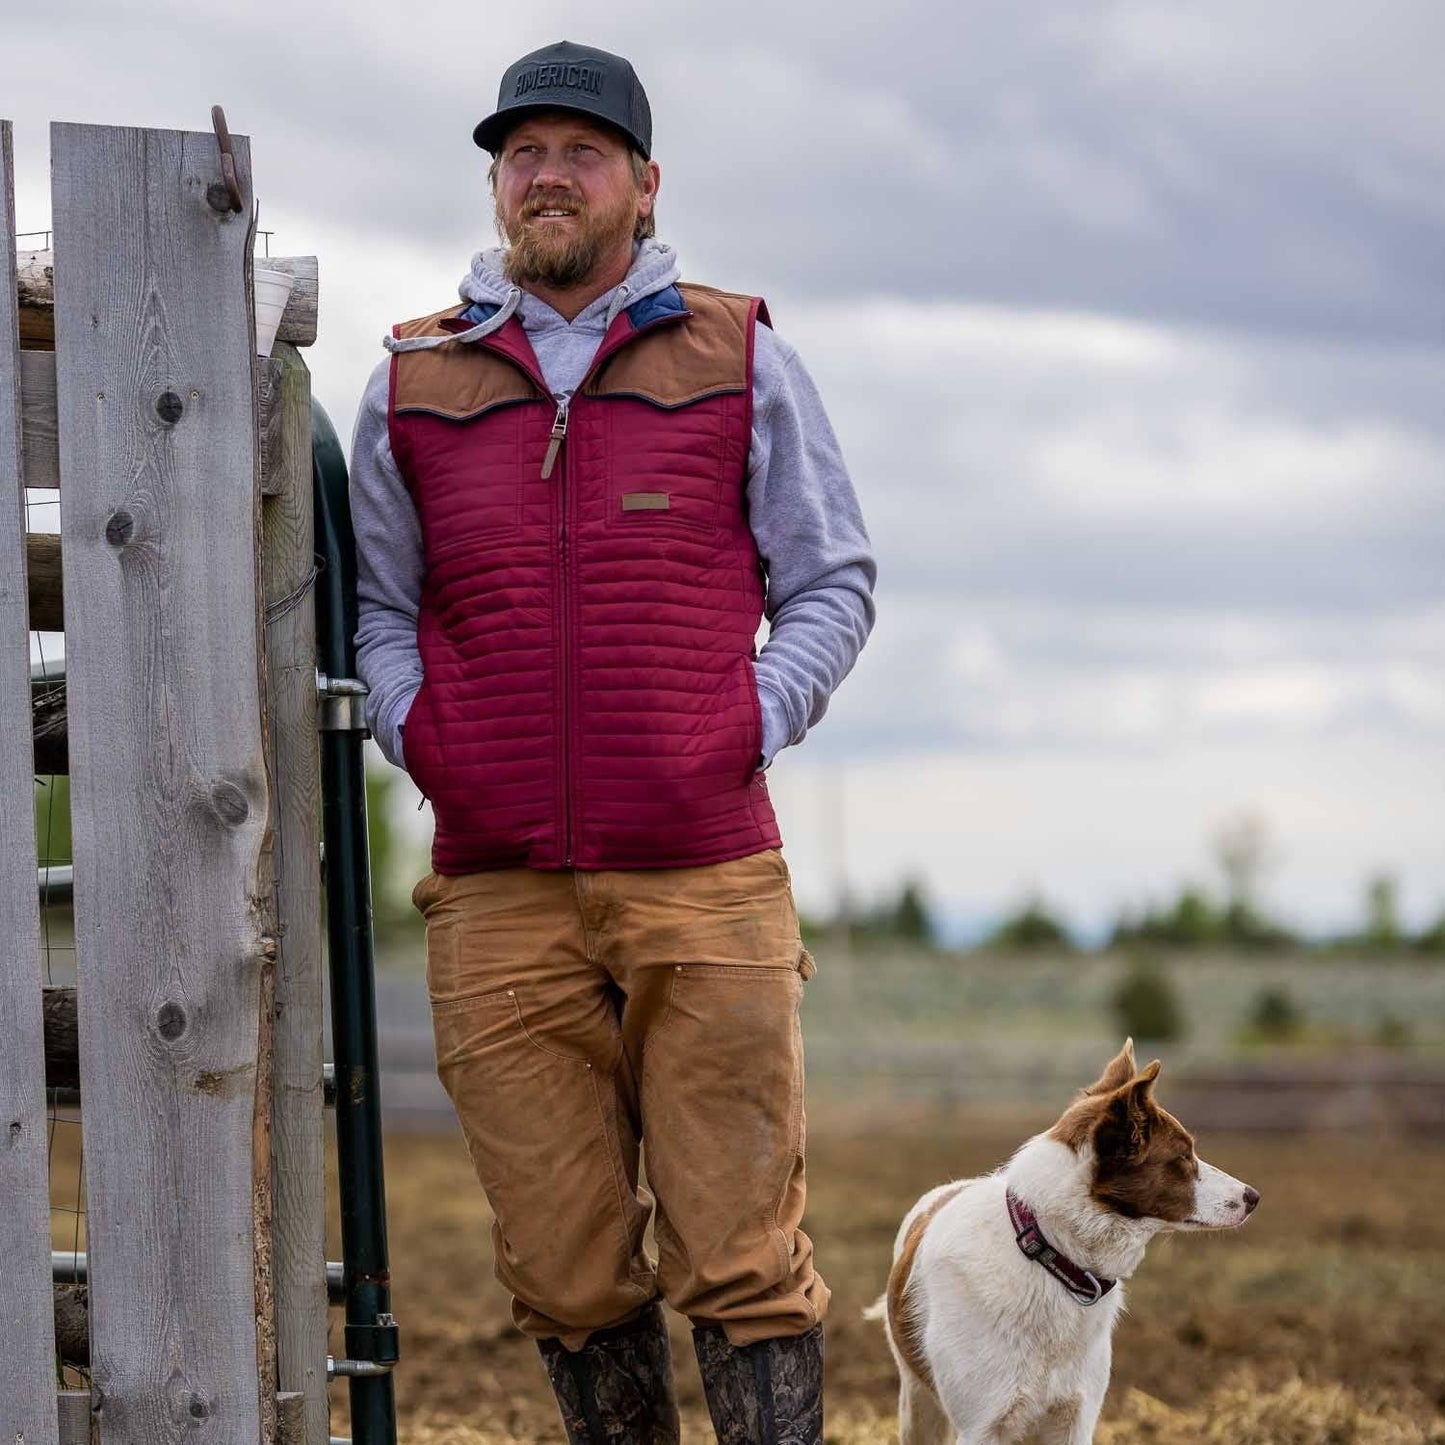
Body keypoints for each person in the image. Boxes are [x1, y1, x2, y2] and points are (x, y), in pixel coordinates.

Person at [350, 39, 876, 1444]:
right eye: (522, 153)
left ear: (643, 187)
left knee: (742, 1260)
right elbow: (376, 607)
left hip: (705, 880)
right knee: (566, 1272)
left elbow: (831, 576)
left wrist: (742, 725)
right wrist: (427, 736)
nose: (547, 175)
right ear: (497, 185)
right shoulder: (412, 378)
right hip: (498, 894)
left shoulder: (737, 351)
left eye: (581, 152)